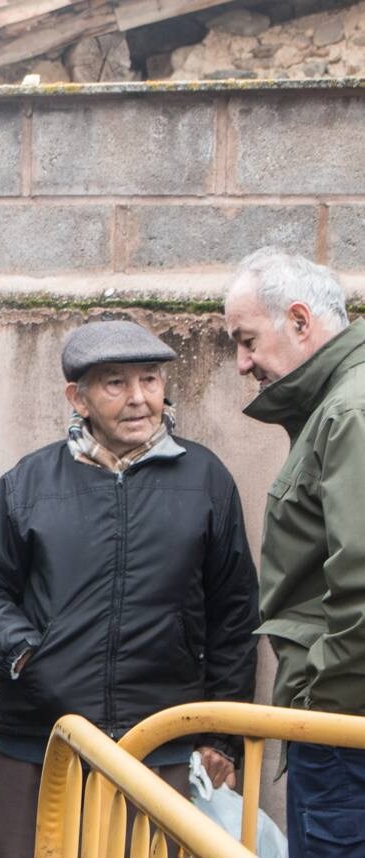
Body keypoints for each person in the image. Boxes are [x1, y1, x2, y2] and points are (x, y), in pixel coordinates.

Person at [0, 320, 259, 858]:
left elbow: (233, 613)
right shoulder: (29, 482)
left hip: (162, 743)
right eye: (115, 383)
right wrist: (26, 656)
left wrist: (219, 736)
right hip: (44, 740)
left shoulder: (206, 479)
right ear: (79, 397)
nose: (139, 399)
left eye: (151, 380)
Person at [224, 247, 365, 857]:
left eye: (247, 340)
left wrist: (320, 703)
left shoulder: (349, 411)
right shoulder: (339, 405)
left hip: (344, 729)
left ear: (301, 322)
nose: (241, 362)